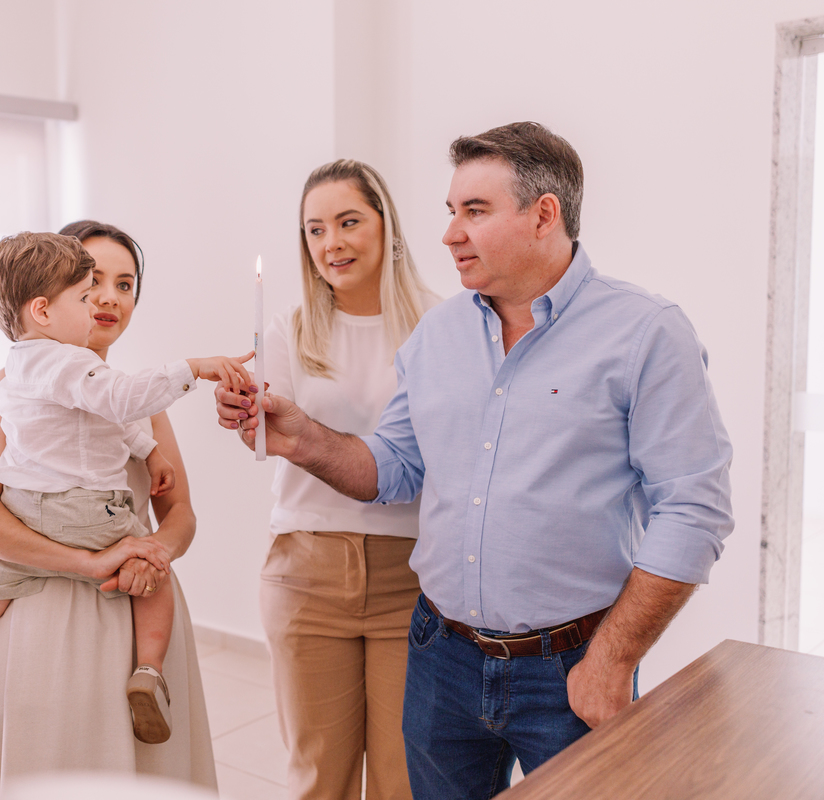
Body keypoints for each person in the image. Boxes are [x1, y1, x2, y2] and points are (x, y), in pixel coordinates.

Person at [217, 122, 733, 799]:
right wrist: (299, 436)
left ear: (544, 214)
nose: (449, 233)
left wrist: (613, 659)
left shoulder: (645, 333)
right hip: (442, 658)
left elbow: (694, 508)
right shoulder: (439, 335)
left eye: (475, 211)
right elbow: (392, 466)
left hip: (572, 666)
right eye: (451, 212)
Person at [0, 231, 249, 752]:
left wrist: (153, 548)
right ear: (43, 307)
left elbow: (178, 512)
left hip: (99, 576)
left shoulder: (61, 378)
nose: (106, 298)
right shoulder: (82, 380)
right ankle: (148, 671)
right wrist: (193, 368)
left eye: (124, 284)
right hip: (48, 616)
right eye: (90, 287)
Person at [245, 160, 441, 799]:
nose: (332, 243)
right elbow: (267, 433)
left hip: (410, 576)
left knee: (401, 778)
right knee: (317, 777)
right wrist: (247, 418)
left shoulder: (442, 326)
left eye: (349, 221)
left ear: (387, 226)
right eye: (315, 229)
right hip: (306, 572)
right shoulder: (291, 331)